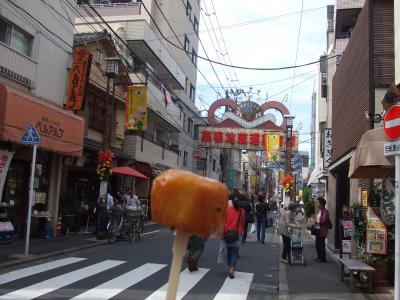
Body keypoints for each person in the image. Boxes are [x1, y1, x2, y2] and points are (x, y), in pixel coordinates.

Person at [223, 196, 245, 279]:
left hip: (227, 233)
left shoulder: (227, 209)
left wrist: (222, 233)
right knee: (235, 252)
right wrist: (241, 233)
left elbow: (224, 221)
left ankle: (230, 267)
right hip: (237, 233)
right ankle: (232, 269)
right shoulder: (241, 211)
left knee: (229, 251)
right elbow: (242, 224)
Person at [314, 197, 330, 263]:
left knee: (321, 244)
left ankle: (322, 258)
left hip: (322, 230)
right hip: (318, 229)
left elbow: (323, 220)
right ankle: (319, 257)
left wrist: (316, 222)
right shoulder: (320, 211)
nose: (316, 204)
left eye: (318, 202)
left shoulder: (325, 211)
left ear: (321, 204)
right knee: (318, 244)